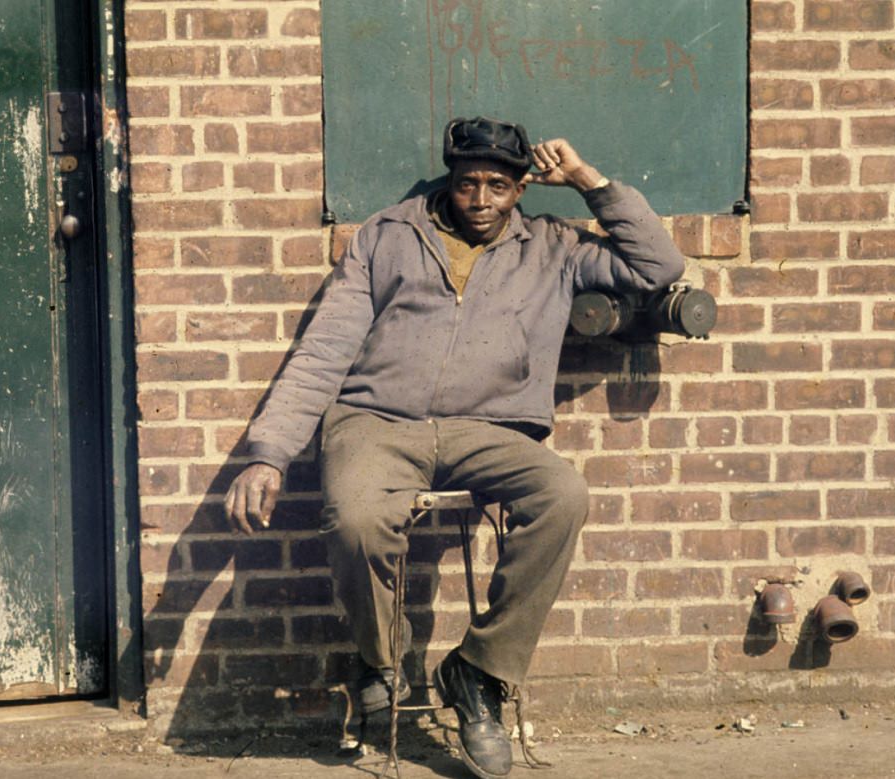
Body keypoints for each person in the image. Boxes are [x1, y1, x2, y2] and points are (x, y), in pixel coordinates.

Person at [224, 117, 684, 778]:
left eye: (498, 185)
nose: (480, 199)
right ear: (451, 180)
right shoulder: (386, 238)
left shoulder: (555, 245)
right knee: (355, 517)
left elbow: (658, 265)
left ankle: (478, 671)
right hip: (377, 421)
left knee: (563, 494)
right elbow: (324, 350)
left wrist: (588, 180)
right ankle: (380, 657)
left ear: (522, 187)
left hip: (492, 430)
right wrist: (269, 451)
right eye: (468, 183)